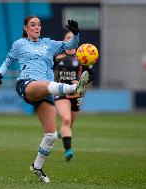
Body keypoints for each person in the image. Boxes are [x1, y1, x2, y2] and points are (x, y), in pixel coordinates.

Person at [0, 15, 89, 183]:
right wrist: (0, 74)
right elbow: (7, 61)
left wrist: (76, 34)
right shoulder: (19, 44)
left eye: (39, 25)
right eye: (32, 25)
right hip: (27, 84)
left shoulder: (49, 44)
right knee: (47, 84)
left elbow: (71, 45)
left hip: (45, 92)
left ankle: (37, 166)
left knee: (51, 135)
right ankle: (74, 88)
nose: (36, 27)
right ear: (25, 28)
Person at [53, 31, 94, 161]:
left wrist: (82, 81)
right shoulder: (57, 57)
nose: (70, 39)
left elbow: (91, 75)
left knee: (69, 124)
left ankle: (64, 134)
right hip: (61, 92)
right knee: (66, 119)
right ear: (64, 41)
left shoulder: (82, 57)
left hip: (77, 94)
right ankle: (68, 150)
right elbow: (48, 71)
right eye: (67, 38)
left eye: (72, 37)